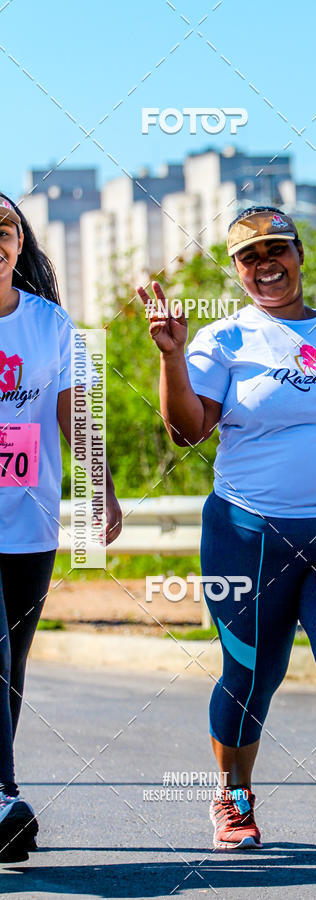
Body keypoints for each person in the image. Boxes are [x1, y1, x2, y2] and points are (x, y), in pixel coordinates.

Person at [139, 206, 316, 865]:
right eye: (249, 256)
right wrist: (173, 358)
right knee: (250, 672)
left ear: (299, 254)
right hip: (248, 538)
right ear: (237, 270)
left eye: (277, 249)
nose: (265, 264)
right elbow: (186, 431)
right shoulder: (223, 340)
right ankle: (234, 798)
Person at [0, 193, 122, 862]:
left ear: (20, 243)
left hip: (31, 523)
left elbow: (78, 415)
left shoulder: (49, 324)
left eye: (5, 230)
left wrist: (100, 490)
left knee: (11, 665)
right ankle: (2, 793)